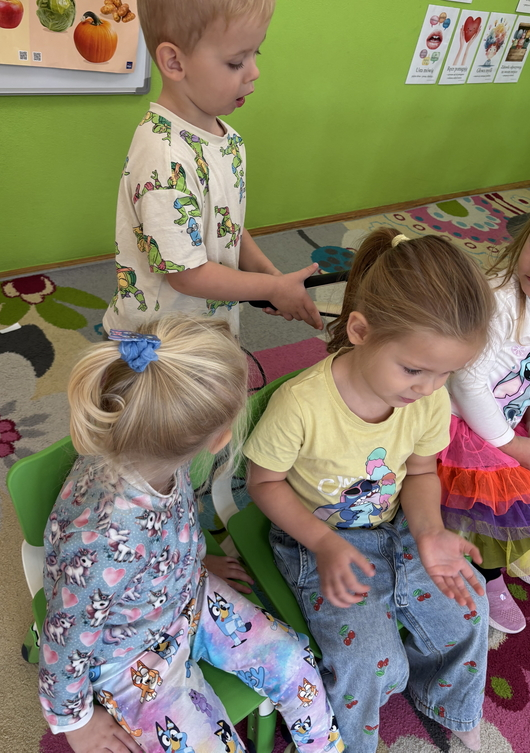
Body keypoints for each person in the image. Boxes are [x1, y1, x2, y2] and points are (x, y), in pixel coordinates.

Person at [38, 314, 343, 753]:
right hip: (128, 658)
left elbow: (172, 522)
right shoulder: (104, 542)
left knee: (294, 663)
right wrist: (76, 723)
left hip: (186, 593)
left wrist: (188, 562)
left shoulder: (152, 446)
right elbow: (63, 639)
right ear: (218, 439)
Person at [244, 228, 495, 752]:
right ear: (359, 330)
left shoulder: (427, 398)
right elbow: (263, 483)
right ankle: (346, 740)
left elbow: (421, 472)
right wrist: (324, 543)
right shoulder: (301, 404)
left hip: (398, 526)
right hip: (319, 539)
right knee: (371, 661)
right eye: (414, 369)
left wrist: (429, 532)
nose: (428, 388)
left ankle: (451, 704)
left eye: (446, 373)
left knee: (470, 610)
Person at [102, 0, 322, 340]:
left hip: (207, 324)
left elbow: (226, 224)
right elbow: (187, 276)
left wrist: (270, 276)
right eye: (236, 62)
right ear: (174, 62)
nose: (254, 71)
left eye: (256, 53)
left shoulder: (224, 137)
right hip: (164, 343)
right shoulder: (165, 160)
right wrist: (270, 288)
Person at [438, 181, 530, 635]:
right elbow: (467, 382)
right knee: (489, 505)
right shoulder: (500, 299)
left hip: (513, 414)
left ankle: (517, 549)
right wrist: (511, 444)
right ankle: (486, 575)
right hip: (462, 422)